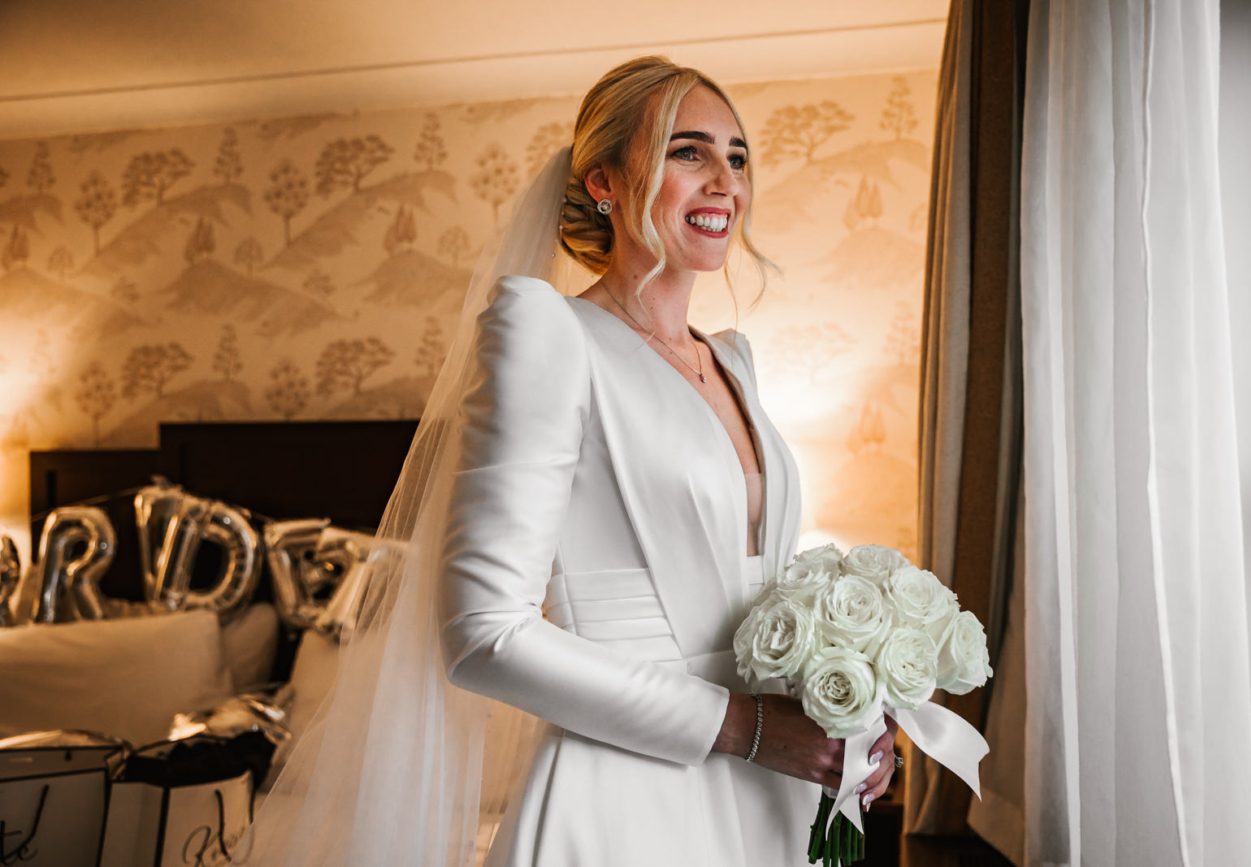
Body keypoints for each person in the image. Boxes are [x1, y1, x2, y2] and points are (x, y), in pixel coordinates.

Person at [240, 55, 897, 867]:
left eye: (737, 156)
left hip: (775, 795)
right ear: (606, 183)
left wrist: (846, 708)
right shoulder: (549, 335)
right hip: (628, 796)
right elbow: (484, 633)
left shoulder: (734, 360)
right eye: (687, 151)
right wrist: (749, 728)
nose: (725, 180)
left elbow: (752, 584)